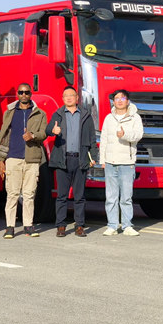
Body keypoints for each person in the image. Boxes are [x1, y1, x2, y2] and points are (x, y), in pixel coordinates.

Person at [0, 83, 48, 238]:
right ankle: (10, 227)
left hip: (32, 159)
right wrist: (1, 160)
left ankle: (28, 225)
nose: (24, 95)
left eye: (27, 92)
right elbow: (4, 137)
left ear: (31, 94)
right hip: (12, 158)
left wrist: (32, 136)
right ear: (17, 93)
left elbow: (44, 133)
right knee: (12, 193)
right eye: (21, 92)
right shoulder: (9, 112)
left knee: (29, 194)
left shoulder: (40, 113)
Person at [46, 86, 96, 237]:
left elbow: (92, 139)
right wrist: (52, 131)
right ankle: (61, 226)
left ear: (77, 98)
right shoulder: (58, 114)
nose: (68, 98)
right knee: (62, 195)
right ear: (62, 99)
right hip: (63, 159)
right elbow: (48, 130)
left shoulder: (86, 116)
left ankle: (79, 225)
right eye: (65, 96)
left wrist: (93, 156)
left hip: (80, 159)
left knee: (79, 196)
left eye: (71, 95)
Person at [99, 89, 144, 237]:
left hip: (127, 162)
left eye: (122, 98)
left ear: (128, 101)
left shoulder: (135, 118)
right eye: (116, 98)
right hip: (110, 163)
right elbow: (104, 139)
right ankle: (112, 225)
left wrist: (125, 135)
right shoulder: (108, 118)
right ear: (113, 101)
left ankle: (127, 226)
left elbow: (138, 136)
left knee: (126, 197)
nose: (119, 100)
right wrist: (102, 160)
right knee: (111, 196)